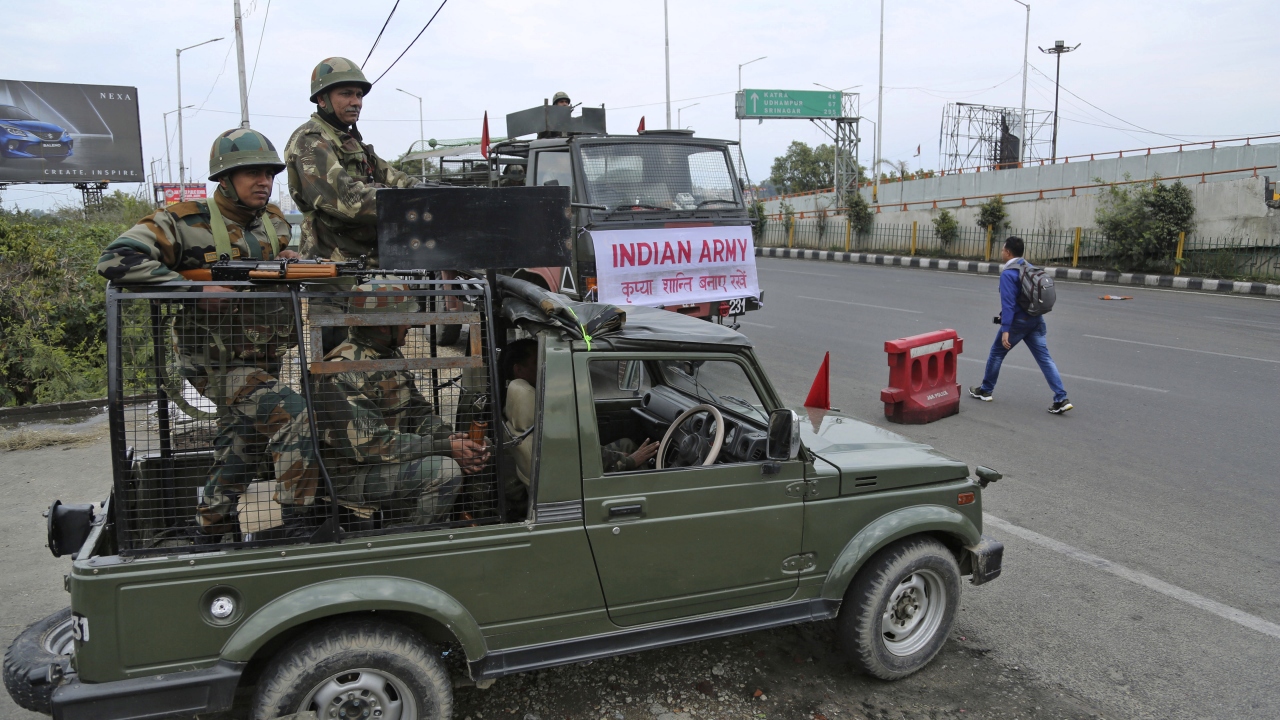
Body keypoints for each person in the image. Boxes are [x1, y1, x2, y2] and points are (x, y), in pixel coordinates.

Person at [97, 128, 324, 537]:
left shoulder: (273, 222)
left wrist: (287, 260)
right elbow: (116, 258)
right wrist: (193, 290)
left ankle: (211, 525)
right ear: (224, 178)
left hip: (263, 357)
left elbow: (267, 266)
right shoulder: (183, 222)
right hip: (215, 363)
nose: (263, 182)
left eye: (269, 174)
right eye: (252, 173)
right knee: (295, 415)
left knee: (244, 441)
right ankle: (298, 523)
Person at [314, 291, 489, 527]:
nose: (409, 325)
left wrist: (450, 437)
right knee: (444, 470)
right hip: (351, 476)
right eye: (405, 319)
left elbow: (417, 410)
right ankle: (410, 539)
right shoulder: (343, 371)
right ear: (384, 326)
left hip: (388, 461)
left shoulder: (386, 353)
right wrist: (445, 448)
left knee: (480, 449)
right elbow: (371, 445)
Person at [284, 57, 423, 266]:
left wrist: (432, 192)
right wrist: (412, 201)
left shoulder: (350, 142)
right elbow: (348, 201)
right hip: (334, 266)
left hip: (369, 261)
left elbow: (395, 178)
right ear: (322, 99)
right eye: (346, 94)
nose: (356, 102)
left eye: (359, 95)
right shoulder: (310, 141)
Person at [969, 236, 1074, 414]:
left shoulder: (1008, 274)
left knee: (996, 353)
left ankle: (986, 390)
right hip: (1036, 319)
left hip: (1018, 322)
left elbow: (1008, 305)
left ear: (1008, 252)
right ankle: (1061, 398)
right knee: (1045, 359)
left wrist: (1006, 330)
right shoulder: (1028, 267)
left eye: (1003, 249)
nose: (1001, 252)